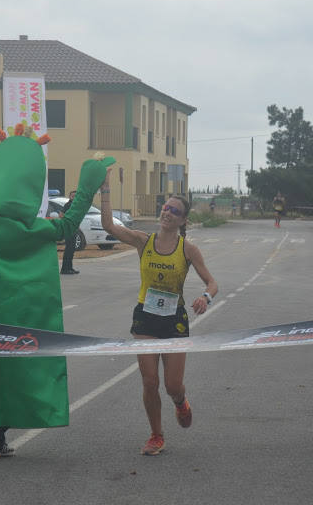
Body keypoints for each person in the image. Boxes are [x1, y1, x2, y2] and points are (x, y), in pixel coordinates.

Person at [0, 125, 114, 459]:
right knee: (4, 370)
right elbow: (68, 226)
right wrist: (88, 185)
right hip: (10, 318)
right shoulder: (30, 229)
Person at [100, 169, 218, 456]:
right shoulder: (144, 241)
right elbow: (108, 225)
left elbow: (212, 283)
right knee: (149, 381)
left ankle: (181, 402)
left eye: (174, 211)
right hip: (146, 317)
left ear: (182, 220)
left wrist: (205, 297)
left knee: (172, 385)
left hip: (174, 321)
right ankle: (156, 435)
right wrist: (104, 189)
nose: (167, 213)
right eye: (166, 207)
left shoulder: (188, 250)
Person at [60, 190, 79, 275]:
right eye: (72, 196)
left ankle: (69, 268)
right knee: (68, 250)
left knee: (71, 250)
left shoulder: (75, 205)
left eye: (75, 196)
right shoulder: (68, 205)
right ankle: (65, 269)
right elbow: (61, 214)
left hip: (74, 229)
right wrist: (68, 222)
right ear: (70, 197)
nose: (74, 197)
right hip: (69, 230)